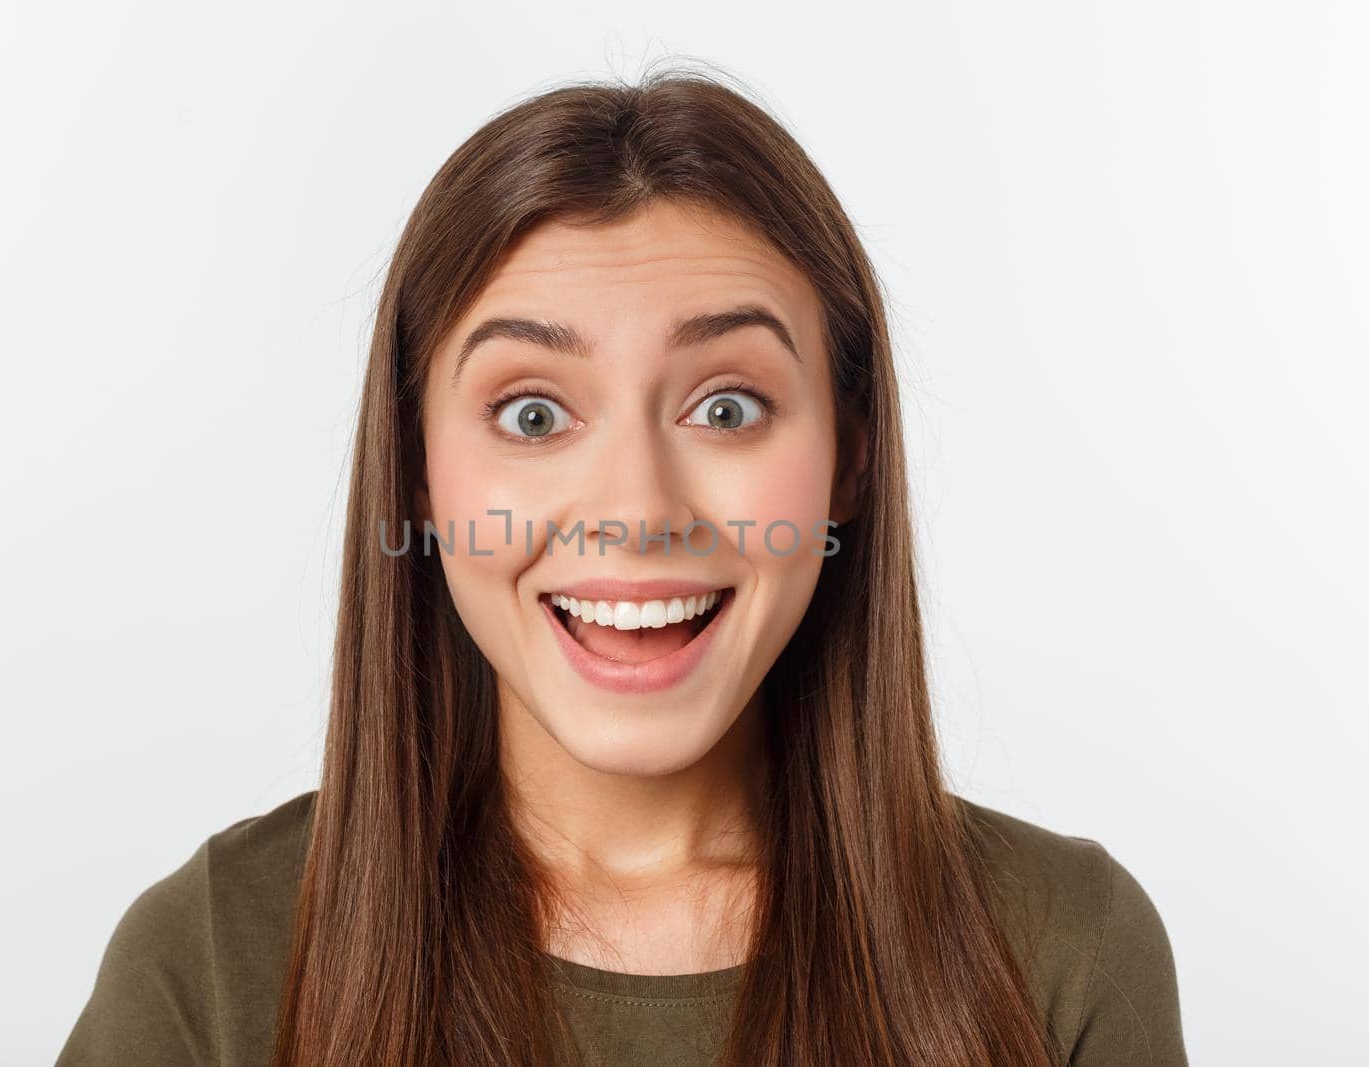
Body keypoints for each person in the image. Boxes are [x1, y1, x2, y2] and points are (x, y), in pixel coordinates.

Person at [57, 65, 1187, 1066]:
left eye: (727, 405)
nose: (637, 510)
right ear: (416, 471)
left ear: (846, 463)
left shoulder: (1060, 950)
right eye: (535, 413)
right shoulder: (212, 959)